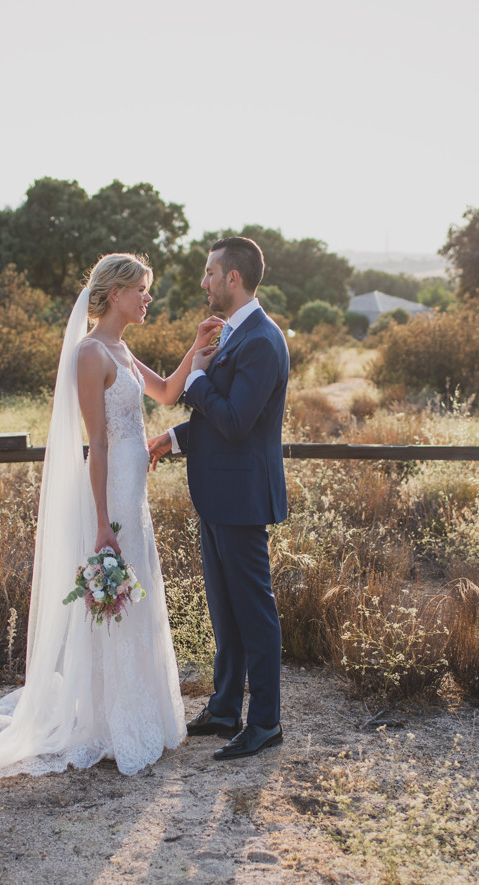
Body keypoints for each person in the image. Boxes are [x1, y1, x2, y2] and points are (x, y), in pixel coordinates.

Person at [0, 253, 220, 779]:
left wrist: (196, 349)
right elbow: (95, 443)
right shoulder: (90, 354)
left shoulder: (120, 347)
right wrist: (100, 524)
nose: (148, 298)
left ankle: (139, 715)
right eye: (141, 289)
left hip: (134, 493)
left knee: (136, 599)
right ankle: (108, 723)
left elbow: (165, 391)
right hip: (113, 497)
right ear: (115, 292)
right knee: (114, 602)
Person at [148, 236, 290, 761]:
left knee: (254, 613)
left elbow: (235, 422)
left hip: (242, 497)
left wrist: (198, 378)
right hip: (218, 495)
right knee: (224, 612)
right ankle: (227, 706)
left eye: (210, 273)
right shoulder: (236, 334)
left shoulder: (261, 340)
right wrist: (176, 437)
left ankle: (267, 723)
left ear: (233, 278)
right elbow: (221, 417)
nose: (203, 282)